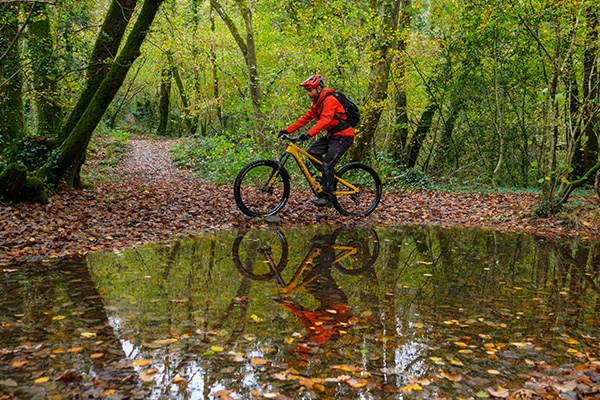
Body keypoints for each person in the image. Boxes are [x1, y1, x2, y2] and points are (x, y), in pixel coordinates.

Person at [278, 75, 355, 207]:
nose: (308, 93)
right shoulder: (317, 104)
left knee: (328, 164)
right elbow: (305, 118)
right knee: (312, 152)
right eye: (307, 91)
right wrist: (287, 130)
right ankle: (328, 179)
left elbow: (325, 120)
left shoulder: (330, 100)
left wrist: (308, 134)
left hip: (343, 136)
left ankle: (328, 196)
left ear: (319, 88)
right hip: (332, 135)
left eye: (310, 90)